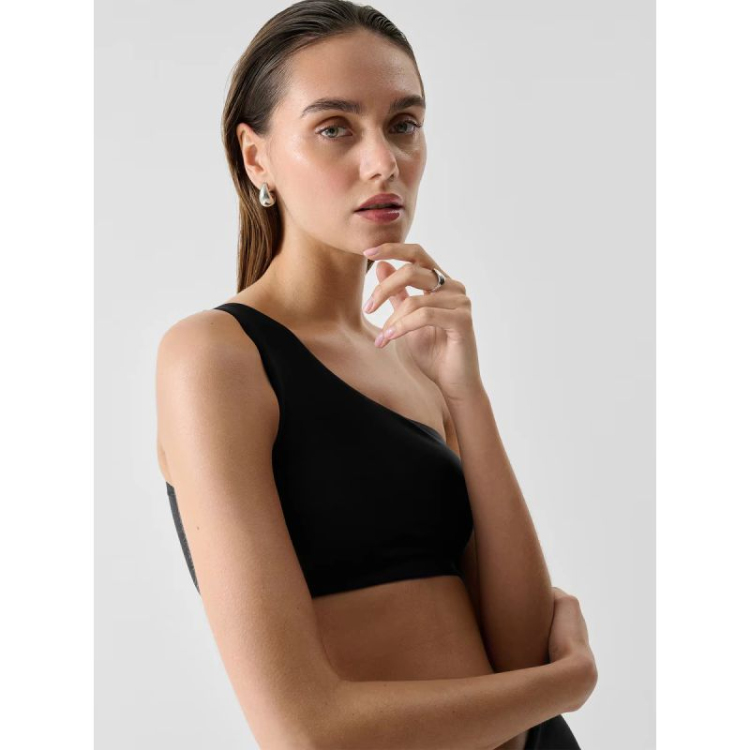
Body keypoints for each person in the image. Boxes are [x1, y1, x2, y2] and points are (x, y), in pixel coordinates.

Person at [155, 1, 598, 747]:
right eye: (335, 128)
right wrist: (568, 684)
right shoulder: (217, 357)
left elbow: (518, 649)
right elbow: (303, 730)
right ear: (256, 158)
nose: (383, 161)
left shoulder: (415, 358)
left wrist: (465, 393)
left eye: (403, 124)